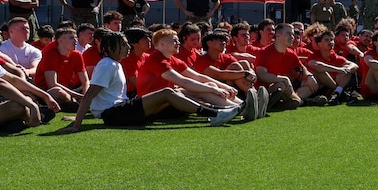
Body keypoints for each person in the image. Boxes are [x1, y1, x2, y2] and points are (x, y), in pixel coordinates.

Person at [58, 31, 244, 132]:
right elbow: (91, 93)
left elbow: (102, 98)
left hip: (119, 109)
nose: (127, 48)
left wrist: (79, 118)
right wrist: (77, 125)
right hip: (113, 114)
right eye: (123, 45)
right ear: (110, 48)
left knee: (173, 93)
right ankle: (215, 113)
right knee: (168, 93)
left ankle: (226, 109)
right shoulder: (107, 65)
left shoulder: (113, 64)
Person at [0, 17, 60, 132]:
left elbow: (13, 79)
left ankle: (17, 121)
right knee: (20, 105)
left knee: (23, 101)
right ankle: (23, 119)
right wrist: (31, 105)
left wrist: (45, 96)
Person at [255, 23, 326, 109]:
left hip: (288, 88)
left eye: (293, 34)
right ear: (277, 36)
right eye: (288, 34)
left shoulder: (291, 54)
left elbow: (302, 69)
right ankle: (305, 101)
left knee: (312, 83)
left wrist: (309, 76)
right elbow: (261, 75)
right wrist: (284, 78)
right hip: (267, 89)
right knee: (281, 85)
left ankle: (286, 102)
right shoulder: (264, 52)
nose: (292, 37)